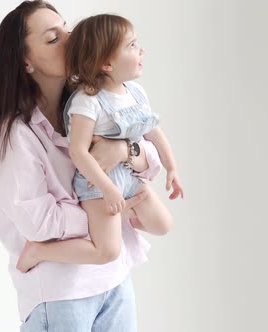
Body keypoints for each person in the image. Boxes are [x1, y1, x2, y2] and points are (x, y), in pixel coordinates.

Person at [0, 1, 164, 331]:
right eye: (52, 38)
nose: (69, 39)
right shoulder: (15, 135)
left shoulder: (90, 104)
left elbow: (150, 164)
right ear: (26, 62)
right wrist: (109, 211)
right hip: (61, 293)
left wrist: (122, 151)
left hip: (115, 280)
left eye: (67, 29)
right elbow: (39, 221)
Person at [16, 14, 183, 273]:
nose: (141, 51)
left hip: (128, 176)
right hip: (97, 184)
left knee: (163, 225)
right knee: (108, 251)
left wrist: (172, 168)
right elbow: (79, 152)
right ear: (106, 63)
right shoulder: (87, 101)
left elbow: (154, 132)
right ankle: (38, 250)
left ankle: (118, 217)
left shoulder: (136, 92)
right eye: (131, 46)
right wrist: (108, 189)